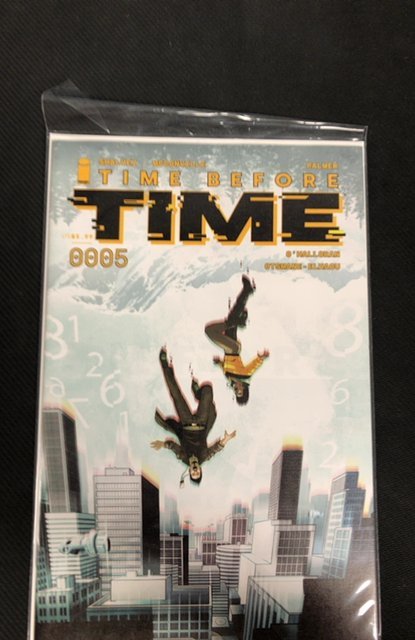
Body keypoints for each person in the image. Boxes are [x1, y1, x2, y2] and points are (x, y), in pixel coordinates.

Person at [152, 347, 236, 485]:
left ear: (190, 471)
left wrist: (162, 444)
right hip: (201, 422)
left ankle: (164, 363)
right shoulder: (203, 457)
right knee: (207, 391)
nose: (195, 471)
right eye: (198, 473)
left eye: (193, 473)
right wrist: (226, 439)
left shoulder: (184, 458)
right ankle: (198, 393)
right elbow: (215, 450)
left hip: (186, 422)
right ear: (200, 470)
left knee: (175, 394)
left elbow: (173, 446)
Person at [205, 274, 269, 405]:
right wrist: (261, 357)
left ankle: (246, 292)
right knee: (209, 330)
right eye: (239, 392)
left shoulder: (230, 380)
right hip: (233, 349)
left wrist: (219, 362)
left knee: (233, 315)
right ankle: (239, 320)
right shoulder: (245, 376)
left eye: (236, 393)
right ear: (244, 390)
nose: (236, 390)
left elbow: (225, 368)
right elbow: (253, 366)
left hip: (229, 347)